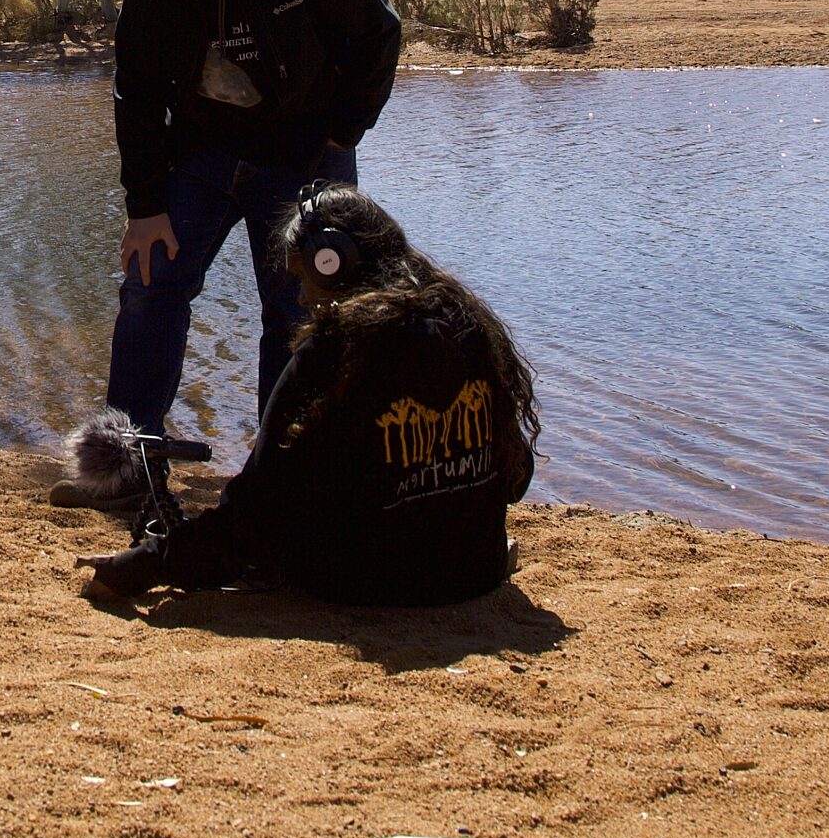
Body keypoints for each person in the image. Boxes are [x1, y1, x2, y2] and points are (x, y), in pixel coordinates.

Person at [50, 0, 402, 509]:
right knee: (150, 283)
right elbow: (135, 89)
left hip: (304, 161)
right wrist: (145, 203)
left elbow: (380, 35)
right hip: (202, 157)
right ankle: (127, 467)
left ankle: (281, 480)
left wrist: (340, 137)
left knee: (297, 314)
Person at [78, 184, 538, 605]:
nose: (301, 297)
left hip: (370, 585)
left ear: (333, 262)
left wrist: (143, 562)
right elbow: (516, 479)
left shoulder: (335, 350)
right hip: (475, 572)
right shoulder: (471, 326)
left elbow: (256, 518)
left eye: (304, 275)